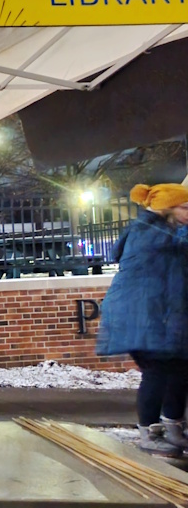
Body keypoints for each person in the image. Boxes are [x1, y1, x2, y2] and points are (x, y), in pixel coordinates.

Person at [96, 183, 188, 457]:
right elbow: (177, 242)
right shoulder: (148, 231)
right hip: (139, 317)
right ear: (166, 208)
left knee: (181, 368)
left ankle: (173, 426)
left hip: (158, 316)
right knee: (157, 371)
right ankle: (149, 432)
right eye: (184, 207)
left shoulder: (167, 231)